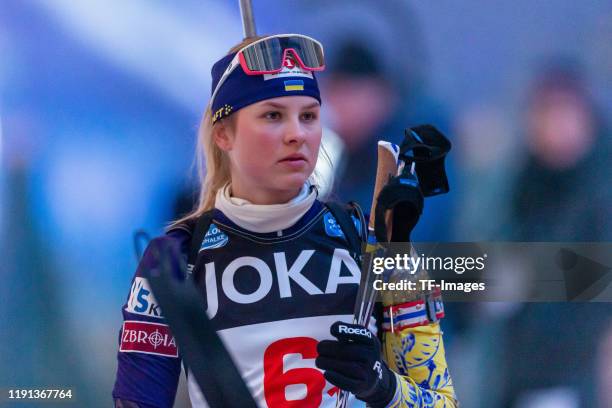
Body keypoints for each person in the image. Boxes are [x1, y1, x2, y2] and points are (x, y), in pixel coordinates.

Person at [112, 34, 458, 408]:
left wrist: (382, 387)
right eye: (273, 115)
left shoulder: (372, 244)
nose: (297, 134)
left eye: (309, 115)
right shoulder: (178, 257)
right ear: (224, 134)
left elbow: (442, 402)